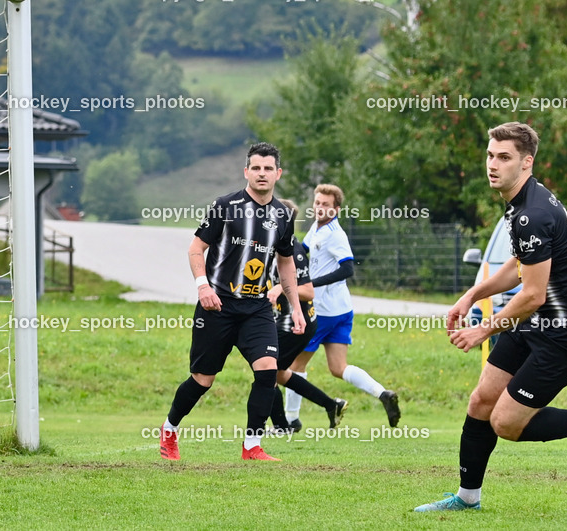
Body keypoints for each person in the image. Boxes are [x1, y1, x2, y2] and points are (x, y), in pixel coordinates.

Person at [415, 122, 567, 513]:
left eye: (504, 157)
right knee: (481, 400)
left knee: (506, 424)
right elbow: (519, 265)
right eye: (489, 155)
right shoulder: (522, 203)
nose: (492, 165)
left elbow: (531, 294)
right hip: (538, 321)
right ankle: (467, 499)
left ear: (526, 162)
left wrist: (483, 328)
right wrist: (470, 296)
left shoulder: (531, 213)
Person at [160, 142, 305, 461]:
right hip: (218, 306)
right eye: (256, 168)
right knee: (203, 380)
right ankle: (169, 429)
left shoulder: (283, 215)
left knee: (268, 370)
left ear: (278, 174)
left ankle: (252, 446)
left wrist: (295, 307)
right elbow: (195, 249)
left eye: (268, 168)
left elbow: (286, 263)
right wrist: (203, 287)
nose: (262, 173)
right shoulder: (226, 206)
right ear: (246, 172)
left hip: (256, 308)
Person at [285, 184, 400, 429]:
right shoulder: (317, 228)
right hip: (341, 310)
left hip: (323, 313)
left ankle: (291, 420)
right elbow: (303, 252)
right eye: (317, 203)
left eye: (326, 205)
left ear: (336, 209)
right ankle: (383, 394)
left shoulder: (335, 234)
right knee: (338, 368)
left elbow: (347, 268)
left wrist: (311, 283)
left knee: (295, 366)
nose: (320, 208)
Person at [265, 199, 348, 433]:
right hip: (284, 320)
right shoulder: (271, 244)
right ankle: (331, 405)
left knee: (267, 370)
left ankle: (282, 426)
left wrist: (281, 288)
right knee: (280, 373)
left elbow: (308, 291)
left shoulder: (293, 249)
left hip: (297, 323)